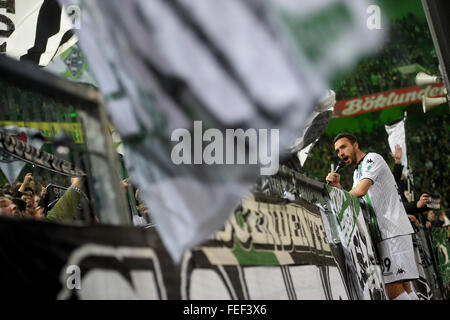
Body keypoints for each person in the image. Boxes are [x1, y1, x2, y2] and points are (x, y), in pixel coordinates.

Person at [326, 133, 419, 300]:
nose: (340, 153)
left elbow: (360, 191)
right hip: (390, 232)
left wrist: (336, 194)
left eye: (343, 147)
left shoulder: (372, 159)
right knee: (405, 287)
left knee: (393, 289)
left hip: (392, 231)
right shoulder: (357, 173)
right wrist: (338, 187)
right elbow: (357, 199)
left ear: (355, 145)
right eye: (337, 150)